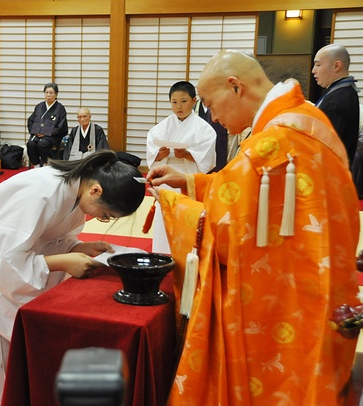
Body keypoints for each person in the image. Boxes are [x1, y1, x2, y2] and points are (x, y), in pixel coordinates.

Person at [147, 50, 359, 404]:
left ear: (235, 87)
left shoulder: (275, 142)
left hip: (282, 293)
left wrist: (171, 202)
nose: (213, 117)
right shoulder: (305, 120)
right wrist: (191, 183)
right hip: (314, 275)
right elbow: (248, 195)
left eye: (212, 105)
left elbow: (227, 227)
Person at [0, 150, 146, 406]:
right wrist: (64, 261)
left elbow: (48, 237)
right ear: (96, 190)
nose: (100, 218)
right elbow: (6, 263)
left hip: (2, 253)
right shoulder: (41, 191)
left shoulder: (76, 188)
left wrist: (76, 248)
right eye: (105, 214)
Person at [146, 81, 216, 254]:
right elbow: (152, 152)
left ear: (194, 100)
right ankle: (163, 251)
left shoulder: (204, 128)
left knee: (187, 217)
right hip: (166, 181)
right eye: (174, 101)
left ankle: (188, 252)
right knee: (165, 217)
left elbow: (206, 157)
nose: (179, 106)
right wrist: (160, 155)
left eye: (184, 101)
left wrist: (187, 154)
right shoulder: (161, 127)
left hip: (188, 179)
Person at [312, 44, 360, 184]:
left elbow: (325, 147)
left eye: (318, 65)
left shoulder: (338, 99)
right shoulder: (343, 91)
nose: (313, 71)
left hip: (329, 178)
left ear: (336, 66)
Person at [27, 83, 68, 167]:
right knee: (30, 144)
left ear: (56, 94)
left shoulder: (60, 108)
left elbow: (61, 126)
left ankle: (45, 164)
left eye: (51, 93)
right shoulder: (39, 106)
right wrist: (35, 131)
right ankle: (36, 165)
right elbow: (31, 120)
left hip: (52, 136)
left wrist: (47, 133)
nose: (48, 95)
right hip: (37, 134)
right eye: (46, 92)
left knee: (42, 144)